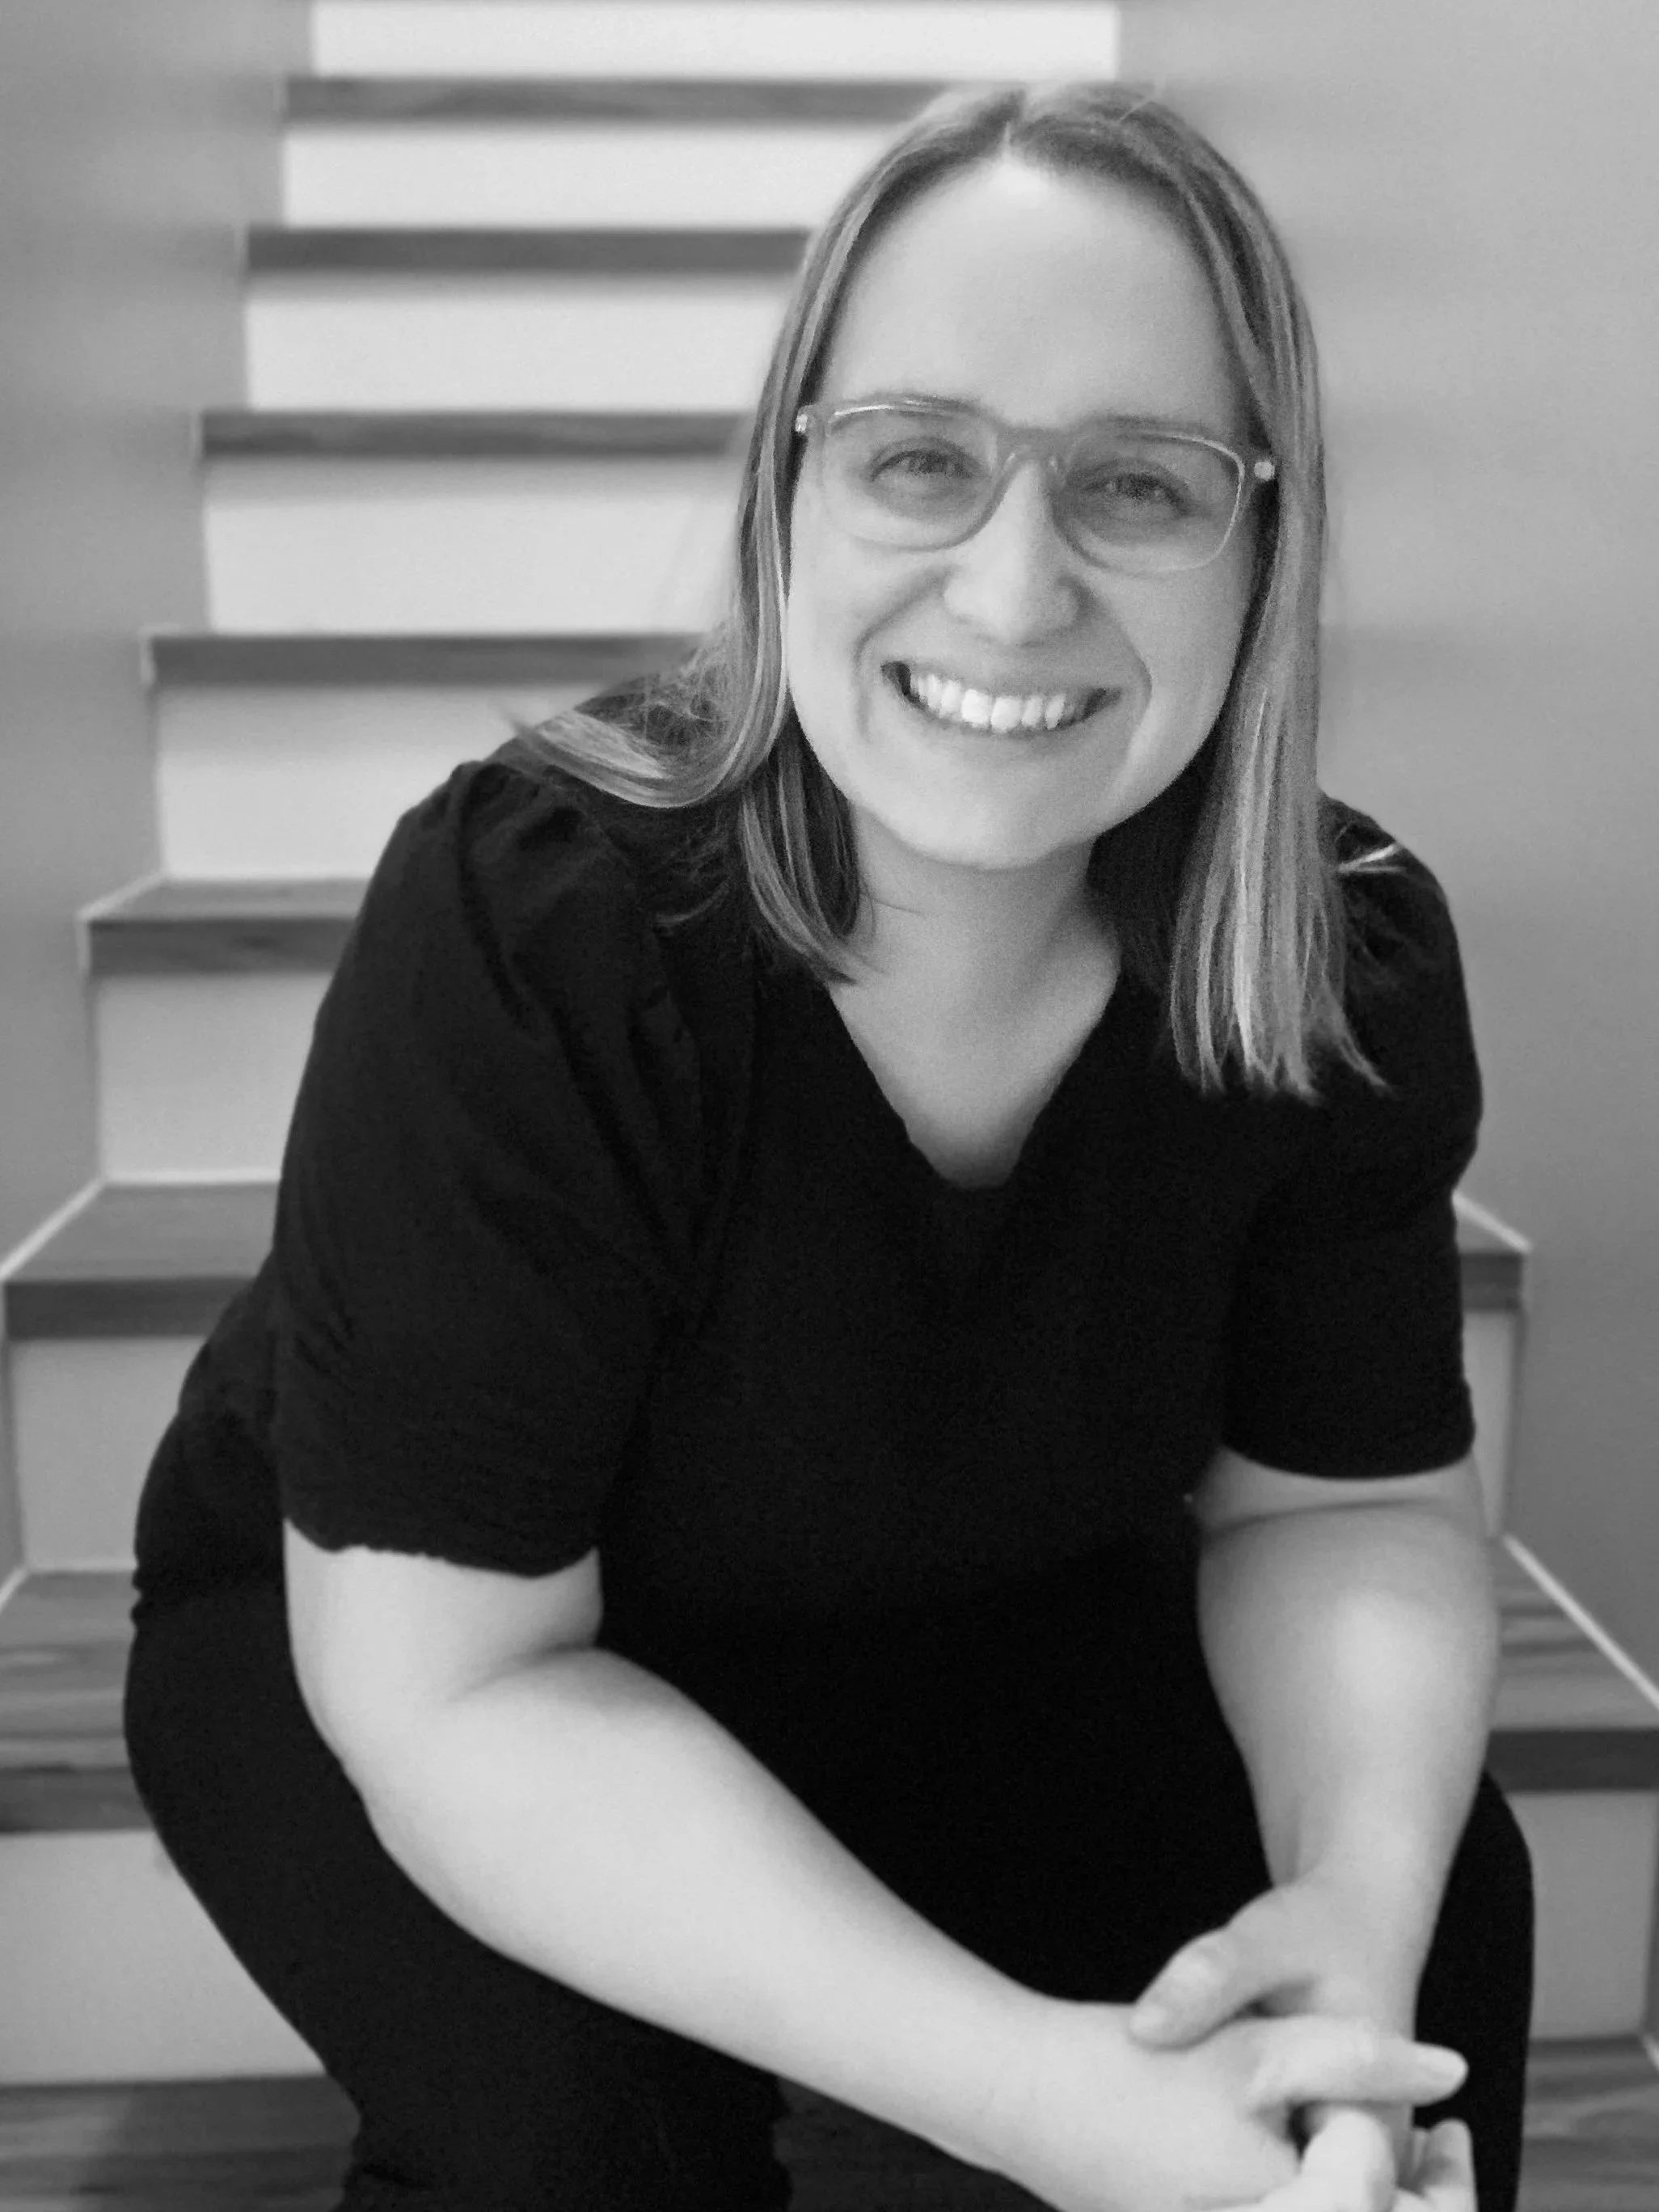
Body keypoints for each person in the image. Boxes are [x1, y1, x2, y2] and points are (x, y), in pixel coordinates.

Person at [123, 80, 1534, 2212]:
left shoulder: (1337, 964)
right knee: (587, 2147)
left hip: (956, 1599)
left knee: (1436, 1938)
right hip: (437, 1648)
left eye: (1136, 486)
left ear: (1265, 541)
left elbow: (1346, 1515)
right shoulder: (541, 926)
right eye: (917, 460)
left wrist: (1350, 1908)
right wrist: (1049, 2103)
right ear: (793, 491)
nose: (1010, 586)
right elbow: (463, 1690)